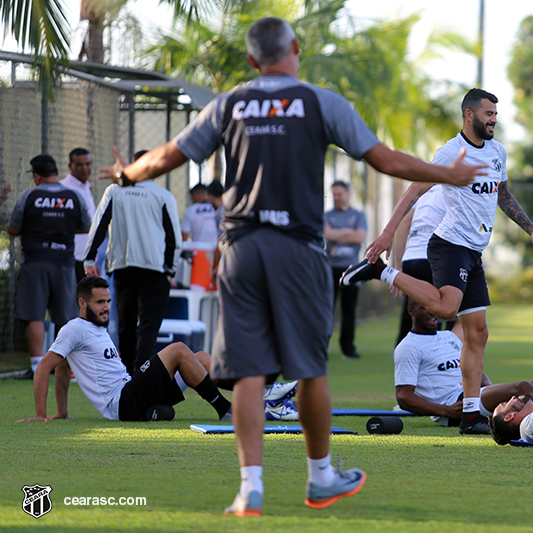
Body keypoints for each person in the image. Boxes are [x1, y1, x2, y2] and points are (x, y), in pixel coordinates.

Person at [94, 16, 486, 517]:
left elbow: (167, 156)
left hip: (240, 249)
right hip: (298, 249)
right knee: (309, 368)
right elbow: (385, 159)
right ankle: (320, 477)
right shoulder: (320, 101)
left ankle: (249, 488)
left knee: (250, 371)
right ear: (295, 49)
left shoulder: (230, 103)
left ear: (253, 60)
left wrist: (126, 172)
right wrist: (447, 173)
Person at [343, 88, 533, 435]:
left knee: (478, 334)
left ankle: (469, 415)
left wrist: (531, 229)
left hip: (474, 251)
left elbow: (503, 194)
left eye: (496, 113)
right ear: (469, 115)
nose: (494, 119)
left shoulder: (497, 152)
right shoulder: (451, 153)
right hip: (448, 245)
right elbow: (413, 192)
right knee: (445, 308)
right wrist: (387, 236)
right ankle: (382, 270)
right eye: (488, 114)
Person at [17, 276, 232, 423]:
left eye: (108, 301)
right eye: (100, 302)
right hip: (121, 402)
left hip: (132, 392)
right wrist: (40, 414)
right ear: (82, 303)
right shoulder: (74, 328)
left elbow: (64, 368)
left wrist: (62, 413)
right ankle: (226, 410)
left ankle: (255, 392)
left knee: (201, 358)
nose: (107, 307)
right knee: (178, 349)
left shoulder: (97, 327)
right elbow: (45, 367)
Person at [84, 149, 182, 375]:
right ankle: (142, 375)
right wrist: (170, 268)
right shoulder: (162, 195)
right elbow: (174, 238)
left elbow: (98, 225)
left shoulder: (114, 192)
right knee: (148, 328)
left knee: (126, 326)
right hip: (155, 270)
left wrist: (89, 258)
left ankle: (127, 376)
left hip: (123, 267)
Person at [395, 300, 533, 426]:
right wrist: (445, 411)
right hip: (456, 404)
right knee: (522, 387)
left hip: (476, 393)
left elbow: (473, 369)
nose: (432, 312)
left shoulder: (448, 337)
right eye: (424, 308)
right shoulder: (408, 346)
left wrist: (494, 392)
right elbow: (404, 397)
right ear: (410, 311)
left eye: (434, 307)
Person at [8, 155, 92, 379]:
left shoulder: (29, 195)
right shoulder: (73, 196)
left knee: (34, 314)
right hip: (64, 261)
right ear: (55, 172)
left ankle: (37, 366)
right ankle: (64, 367)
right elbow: (85, 226)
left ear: (36, 175)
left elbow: (13, 228)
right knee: (65, 315)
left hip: (35, 261)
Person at [391, 185, 450, 345]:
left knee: (411, 307)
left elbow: (403, 225)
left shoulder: (424, 191)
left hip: (411, 259)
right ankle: (444, 350)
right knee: (442, 305)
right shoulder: (452, 189)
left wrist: (398, 264)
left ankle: (402, 346)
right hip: (433, 259)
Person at [323, 180, 367, 359]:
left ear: (348, 194)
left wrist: (337, 233)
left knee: (349, 310)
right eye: (334, 194)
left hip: (350, 269)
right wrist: (348, 231)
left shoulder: (358, 215)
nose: (336, 198)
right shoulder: (327, 215)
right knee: (326, 309)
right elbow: (326, 235)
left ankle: (348, 348)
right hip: (330, 268)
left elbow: (360, 236)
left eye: (339, 194)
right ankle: (321, 348)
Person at [60, 147, 99, 283]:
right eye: (79, 165)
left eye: (87, 164)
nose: (85, 168)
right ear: (70, 166)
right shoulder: (63, 189)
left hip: (88, 258)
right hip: (72, 257)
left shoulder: (86, 187)